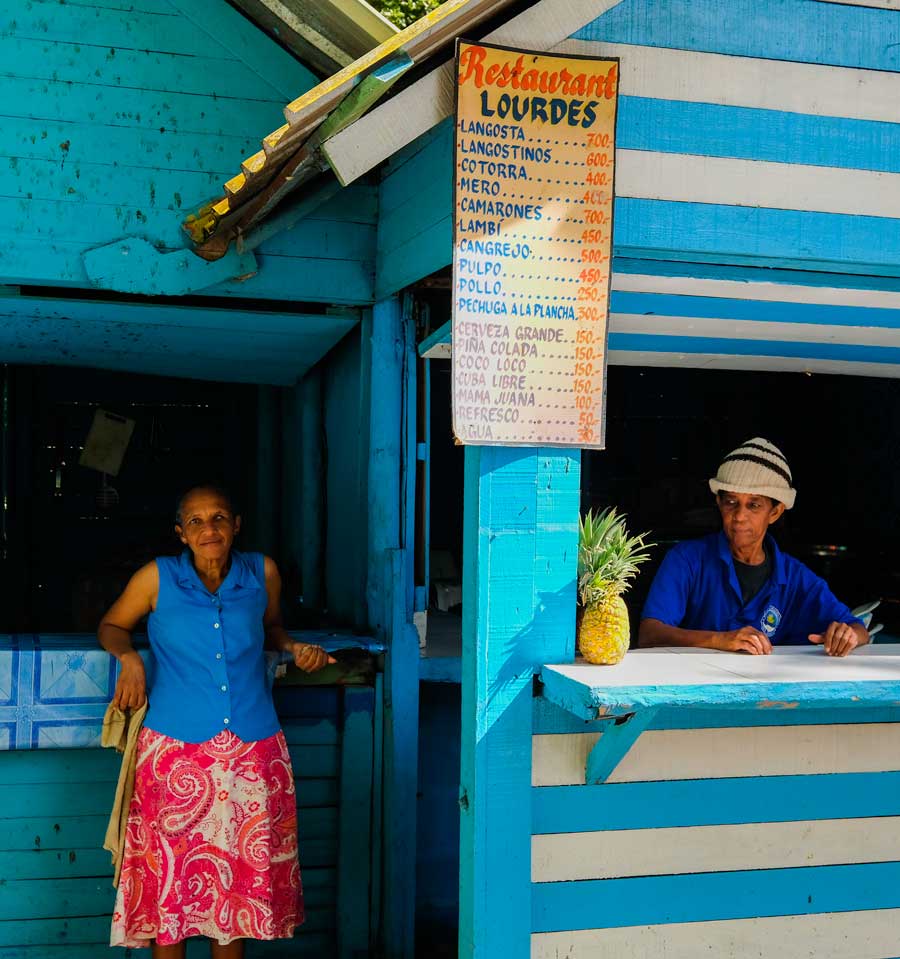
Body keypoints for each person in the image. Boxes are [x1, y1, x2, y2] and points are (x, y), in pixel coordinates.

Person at [98, 485, 334, 957]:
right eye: (197, 521)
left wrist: (293, 648)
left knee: (237, 894)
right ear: (181, 533)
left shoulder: (261, 573)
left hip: (253, 752)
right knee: (171, 890)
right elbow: (112, 624)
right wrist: (129, 659)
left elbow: (272, 629)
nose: (210, 529)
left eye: (220, 518)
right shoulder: (157, 578)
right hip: (174, 754)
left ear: (236, 524)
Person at [638, 438, 868, 657]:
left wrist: (848, 635)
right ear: (719, 504)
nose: (739, 516)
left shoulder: (794, 577)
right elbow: (649, 634)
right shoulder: (687, 560)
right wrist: (720, 641)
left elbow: (858, 629)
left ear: (775, 512)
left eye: (754, 505)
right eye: (731, 502)